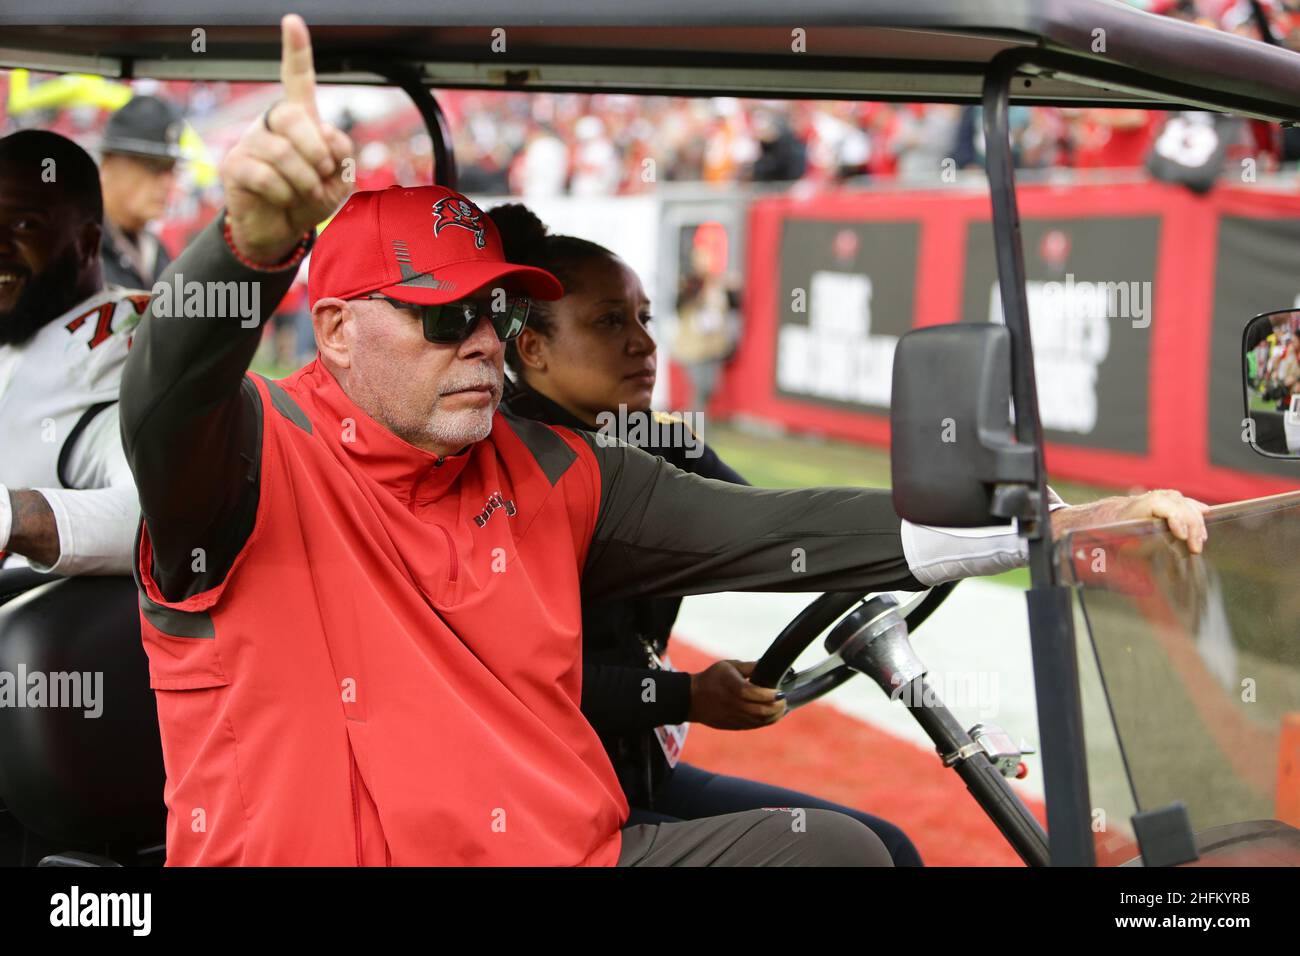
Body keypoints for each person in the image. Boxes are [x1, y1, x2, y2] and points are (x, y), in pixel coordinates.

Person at [120, 16, 1211, 868]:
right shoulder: (253, 452)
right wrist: (246, 251)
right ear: (338, 327)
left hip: (574, 851)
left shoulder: (548, 465)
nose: (481, 346)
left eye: (496, 315)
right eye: (444, 316)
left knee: (836, 852)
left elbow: (779, 525)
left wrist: (1048, 521)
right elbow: (165, 395)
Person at [492, 202, 923, 865]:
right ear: (532, 348)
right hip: (543, 797)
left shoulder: (658, 439)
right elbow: (530, 681)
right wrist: (685, 696)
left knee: (890, 844)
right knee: (853, 855)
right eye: (610, 322)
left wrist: (949, 529)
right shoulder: (506, 470)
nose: (643, 342)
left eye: (643, 317)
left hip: (633, 771)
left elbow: (779, 531)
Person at [0, 129, 148, 585]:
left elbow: (159, 518)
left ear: (86, 244)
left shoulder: (117, 354)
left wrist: (12, 515)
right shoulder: (24, 323)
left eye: (24, 226)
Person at [99, 94, 184, 290]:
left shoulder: (156, 253)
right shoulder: (75, 251)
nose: (167, 182)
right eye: (152, 166)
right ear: (108, 163)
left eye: (171, 168)